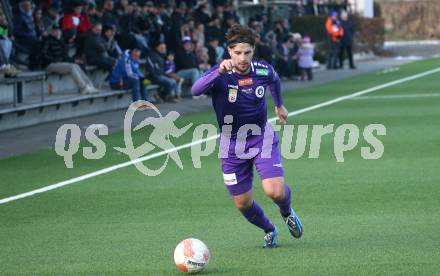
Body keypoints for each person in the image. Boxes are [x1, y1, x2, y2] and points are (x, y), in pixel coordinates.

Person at [191, 24, 303, 248]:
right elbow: (195, 90)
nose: (242, 57)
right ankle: (269, 229)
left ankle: (287, 212)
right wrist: (217, 72)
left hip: (261, 137)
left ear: (253, 51)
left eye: (247, 52)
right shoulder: (219, 74)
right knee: (243, 203)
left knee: (275, 191)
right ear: (229, 51)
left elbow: (275, 79)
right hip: (231, 145)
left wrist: (279, 105)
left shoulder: (262, 69)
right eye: (237, 52)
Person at [41, 25, 98, 94]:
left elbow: (65, 56)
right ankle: (83, 88)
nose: (58, 32)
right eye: (55, 31)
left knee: (76, 65)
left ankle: (89, 85)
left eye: (59, 31)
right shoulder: (48, 40)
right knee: (72, 67)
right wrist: (53, 60)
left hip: (59, 63)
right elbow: (43, 54)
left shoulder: (61, 41)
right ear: (52, 32)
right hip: (50, 64)